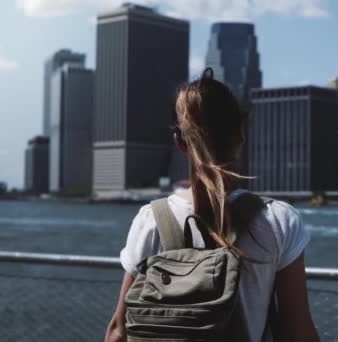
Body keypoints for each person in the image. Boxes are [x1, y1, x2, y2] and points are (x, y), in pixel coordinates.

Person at [105, 68, 319, 342]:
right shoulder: (279, 221)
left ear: (179, 142)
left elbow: (117, 332)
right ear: (240, 137)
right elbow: (297, 334)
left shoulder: (152, 219)